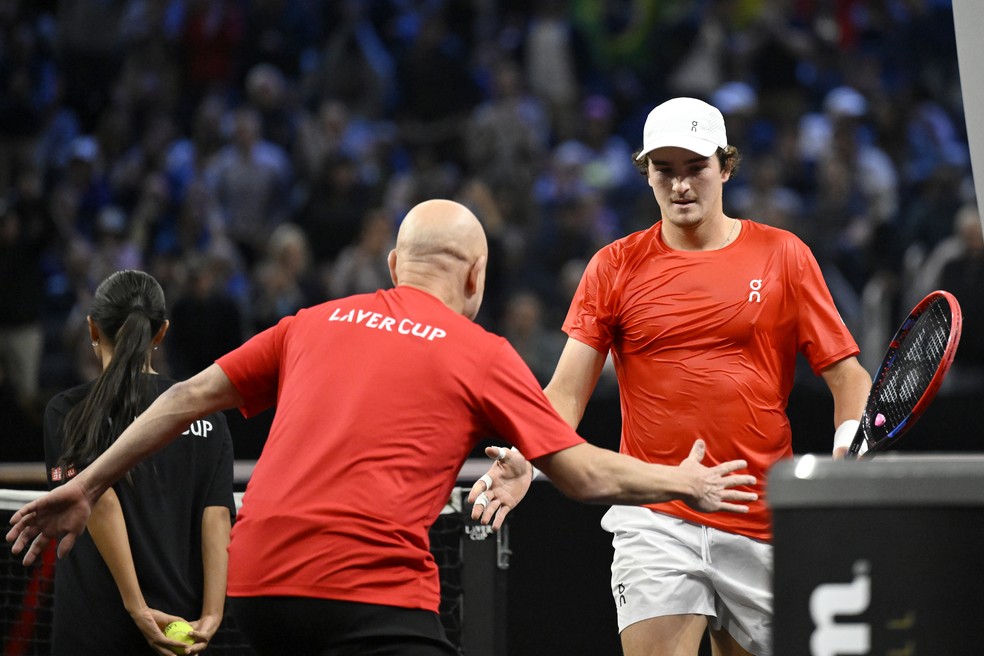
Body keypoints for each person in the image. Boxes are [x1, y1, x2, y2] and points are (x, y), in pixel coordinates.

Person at [7, 199, 757, 656]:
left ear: (394, 262)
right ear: (477, 278)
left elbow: (177, 400)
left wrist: (88, 481)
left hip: (259, 594)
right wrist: (682, 480)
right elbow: (584, 473)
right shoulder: (481, 350)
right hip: (371, 597)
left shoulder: (309, 323)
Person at [474, 99, 872, 656]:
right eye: (665, 171)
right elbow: (565, 392)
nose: (681, 186)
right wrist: (527, 453)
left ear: (725, 168)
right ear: (647, 174)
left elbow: (848, 378)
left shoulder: (784, 255)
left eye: (695, 168)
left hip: (757, 518)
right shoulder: (613, 266)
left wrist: (847, 449)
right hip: (654, 519)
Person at [42, 269, 235, 655]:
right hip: (181, 633)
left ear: (93, 329)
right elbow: (217, 518)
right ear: (160, 333)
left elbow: (98, 500)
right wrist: (213, 616)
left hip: (93, 632)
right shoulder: (208, 419)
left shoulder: (68, 411)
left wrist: (137, 607)